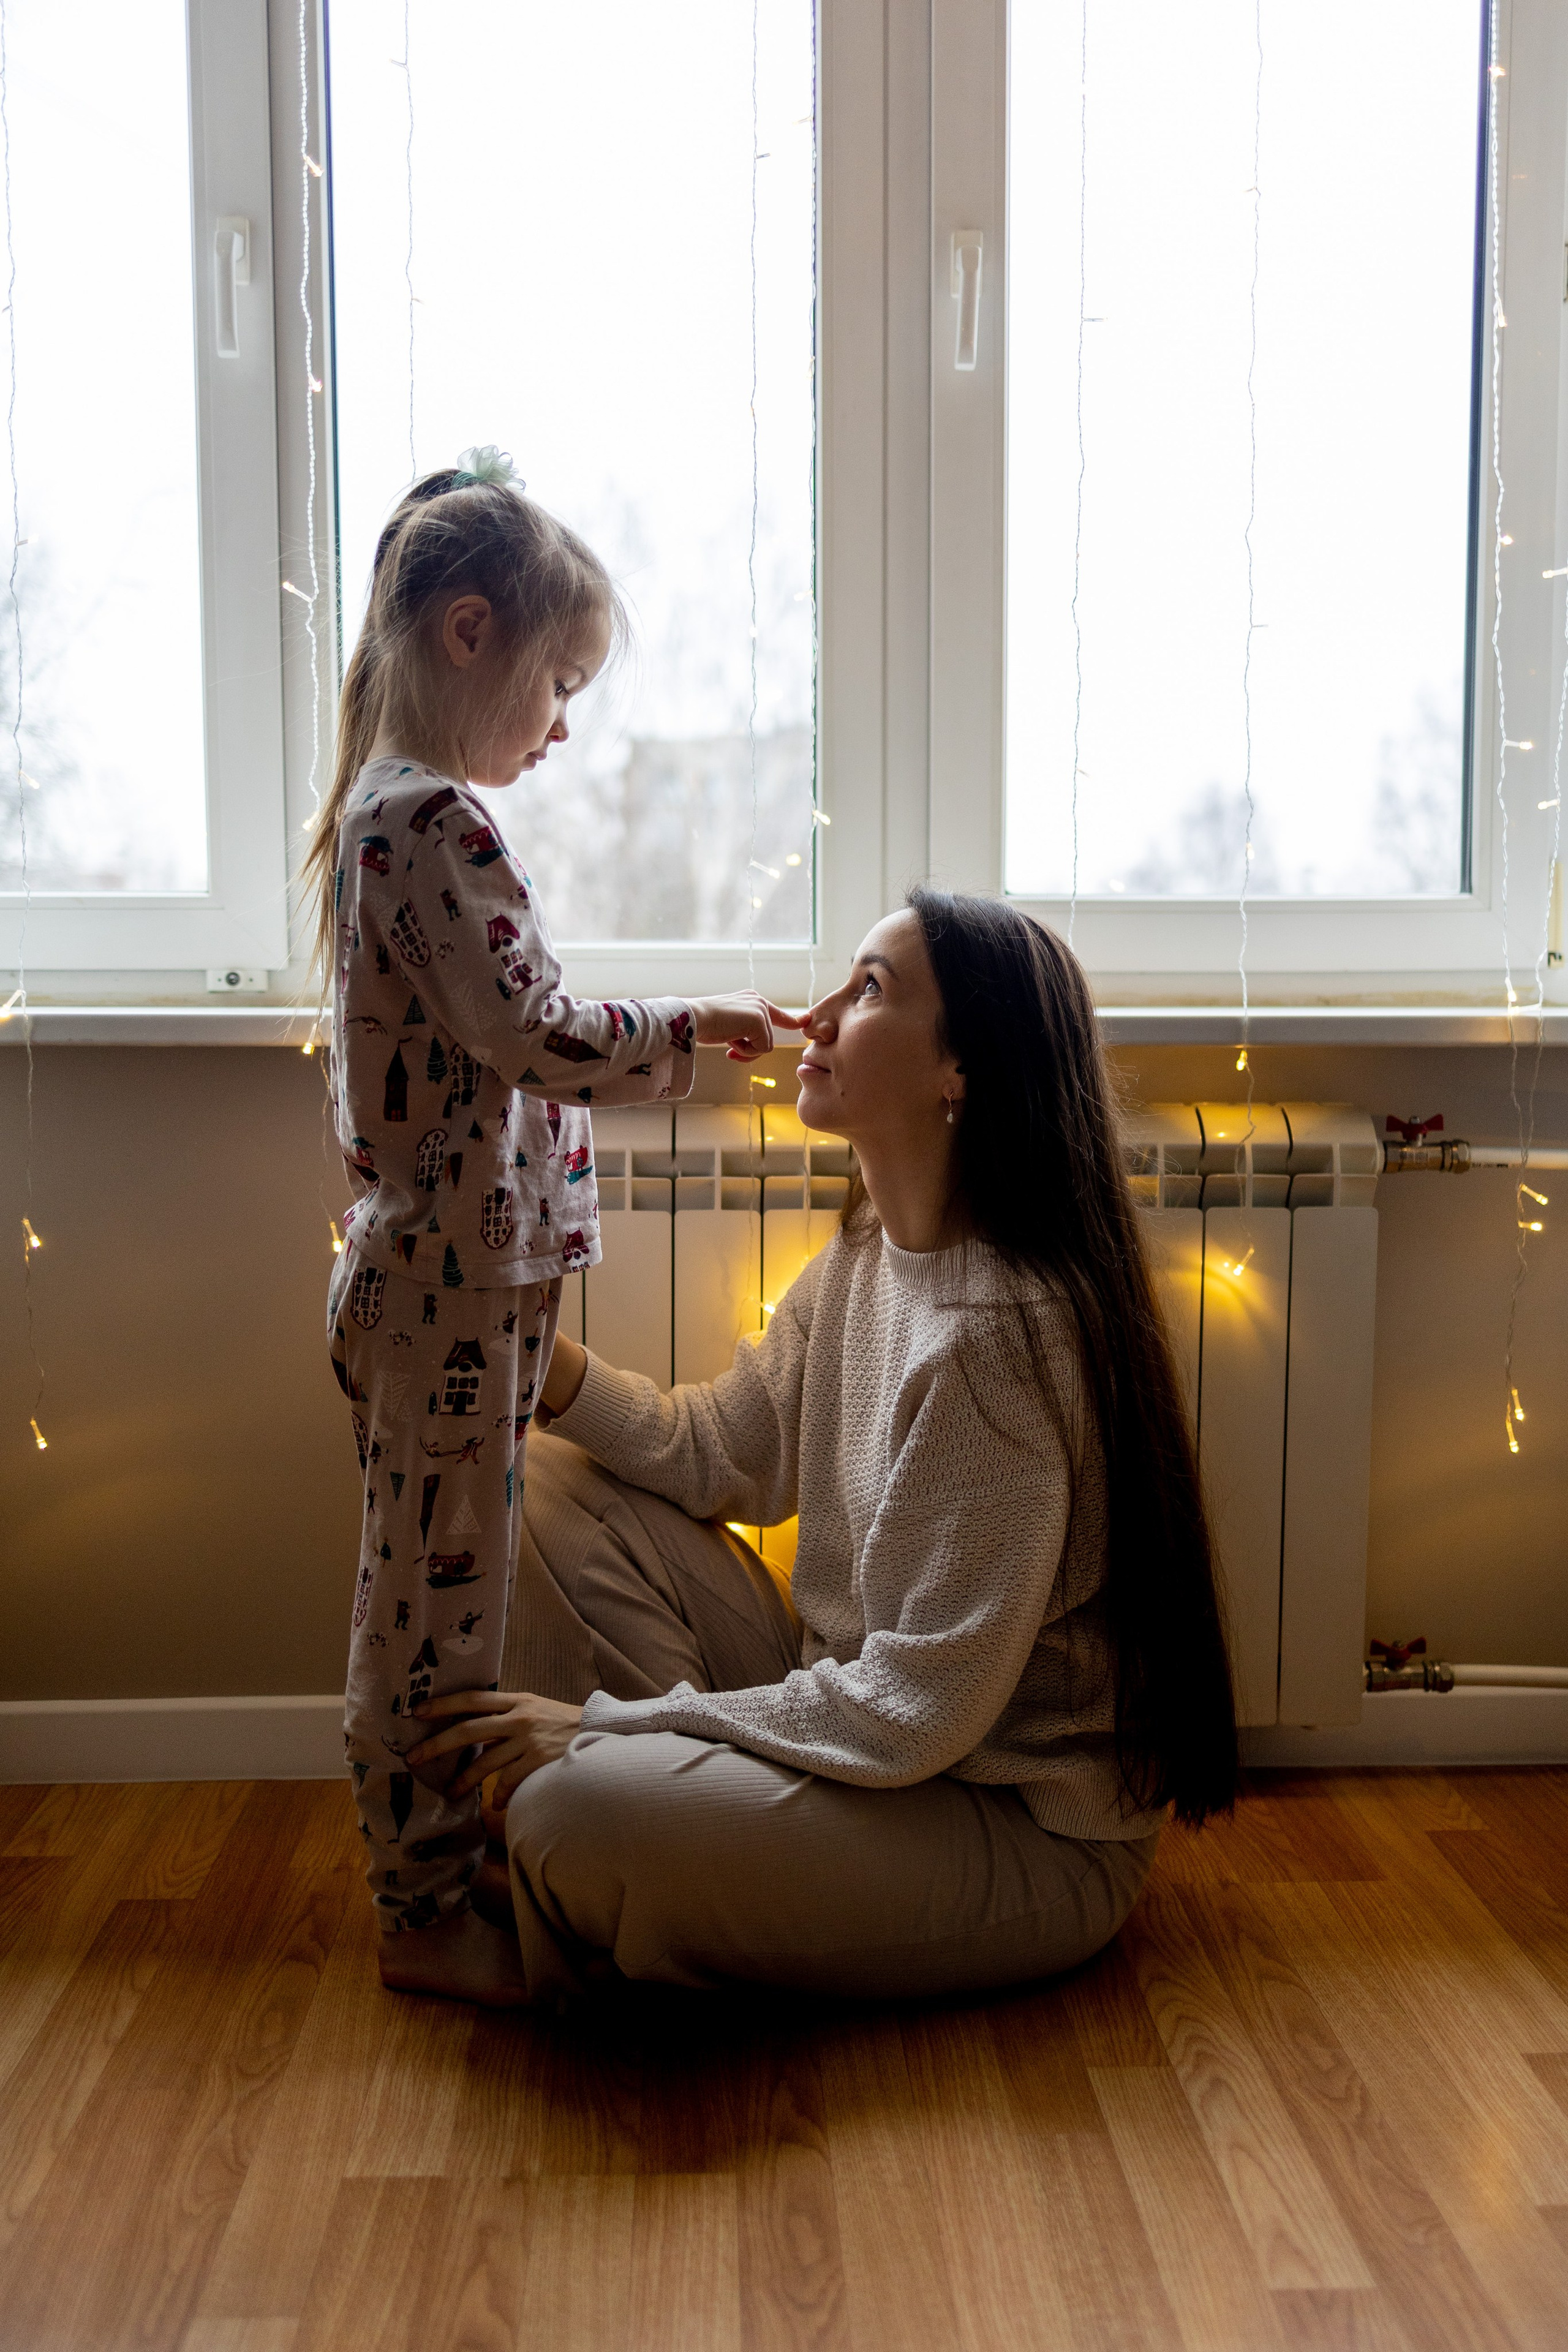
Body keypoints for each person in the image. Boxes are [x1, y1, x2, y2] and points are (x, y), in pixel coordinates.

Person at [408, 888, 1239, 2005]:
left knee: (574, 1810)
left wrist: (612, 1726)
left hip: (1001, 1819)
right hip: (854, 1710)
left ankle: (614, 1840)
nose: (821, 1013)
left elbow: (915, 1712)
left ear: (962, 1073)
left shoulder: (996, 1341)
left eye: (872, 990)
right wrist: (541, 1366)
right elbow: (719, 1452)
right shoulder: (870, 1253)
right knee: (538, 1476)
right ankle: (650, 1821)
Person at [304, 447, 797, 2004]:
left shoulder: (400, 818)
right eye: (559, 682)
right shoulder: (432, 821)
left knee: (447, 1597)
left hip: (463, 1278)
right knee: (431, 1620)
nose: (565, 723)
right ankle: (422, 1915)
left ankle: (434, 1887)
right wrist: (694, 1028)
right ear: (470, 635)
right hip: (447, 1287)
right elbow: (534, 1033)